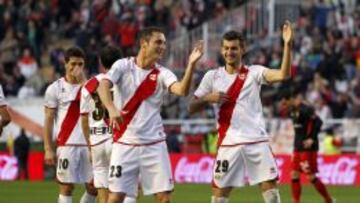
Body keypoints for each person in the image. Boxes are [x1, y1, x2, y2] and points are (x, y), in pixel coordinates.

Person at [188, 21, 294, 203]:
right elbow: (191, 107)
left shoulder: (255, 73)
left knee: (272, 196)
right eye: (227, 48)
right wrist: (207, 98)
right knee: (219, 197)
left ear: (243, 49)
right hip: (229, 143)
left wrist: (287, 44)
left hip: (256, 140)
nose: (230, 52)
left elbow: (283, 75)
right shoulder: (211, 77)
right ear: (222, 50)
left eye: (234, 48)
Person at [98, 27, 203, 203]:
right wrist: (111, 107)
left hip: (154, 144)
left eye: (164, 43)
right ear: (144, 43)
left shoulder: (163, 73)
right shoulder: (123, 65)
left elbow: (182, 90)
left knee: (164, 198)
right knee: (115, 197)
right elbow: (103, 85)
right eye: (158, 42)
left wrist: (191, 65)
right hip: (125, 143)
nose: (162, 46)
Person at [80, 46, 137, 203]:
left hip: (97, 141)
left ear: (101, 63)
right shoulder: (126, 81)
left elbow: (84, 120)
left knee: (103, 194)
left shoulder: (88, 85)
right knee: (128, 188)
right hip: (117, 139)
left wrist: (89, 146)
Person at [43, 47, 97, 203]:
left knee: (94, 188)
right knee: (66, 187)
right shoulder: (55, 88)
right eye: (73, 64)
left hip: (89, 145)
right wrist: (48, 148)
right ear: (65, 64)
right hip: (67, 145)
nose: (77, 68)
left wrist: (84, 82)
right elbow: (48, 119)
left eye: (80, 64)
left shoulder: (91, 86)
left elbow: (99, 107)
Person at [280, 91, 334, 203]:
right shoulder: (291, 111)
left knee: (311, 176)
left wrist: (311, 138)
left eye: (285, 103)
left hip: (308, 147)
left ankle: (328, 199)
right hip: (297, 147)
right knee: (294, 174)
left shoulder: (305, 109)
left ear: (290, 99)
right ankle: (296, 201)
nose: (284, 106)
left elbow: (319, 122)